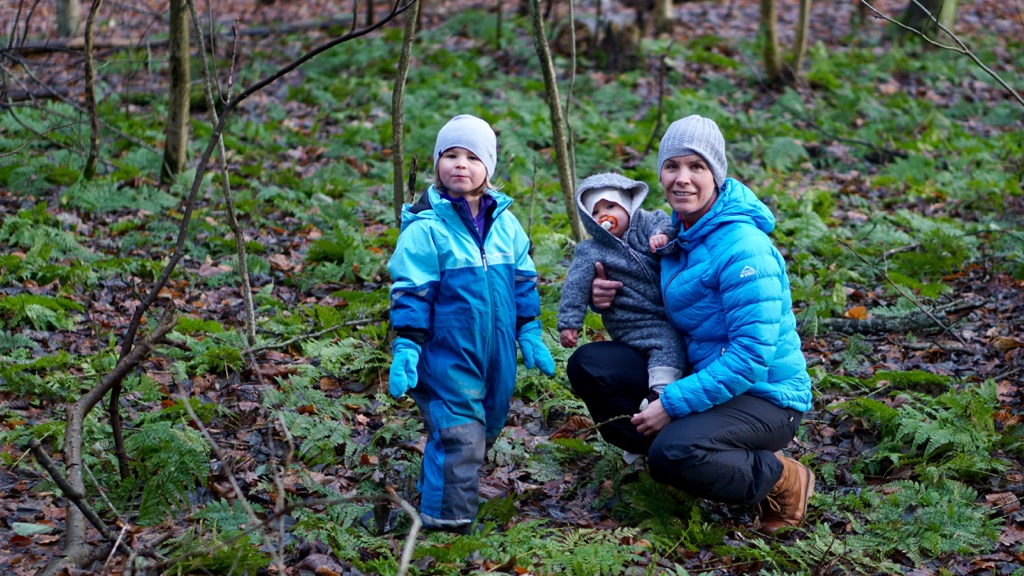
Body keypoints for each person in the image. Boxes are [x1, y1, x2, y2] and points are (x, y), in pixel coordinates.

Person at [567, 115, 815, 533]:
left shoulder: (743, 248)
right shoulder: (675, 232)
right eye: (672, 166)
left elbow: (750, 358)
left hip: (767, 397)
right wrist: (606, 299)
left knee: (672, 453)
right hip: (704, 373)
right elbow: (665, 320)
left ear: (717, 174)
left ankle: (780, 477)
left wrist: (673, 403)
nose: (682, 179)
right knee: (592, 366)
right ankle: (682, 460)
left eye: (696, 167)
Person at [387, 114, 555, 533]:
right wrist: (407, 343)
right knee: (460, 433)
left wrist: (529, 328)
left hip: (496, 353)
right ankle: (448, 525)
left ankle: (440, 487)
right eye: (451, 155)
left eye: (472, 157)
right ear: (437, 163)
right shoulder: (427, 228)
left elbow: (523, 278)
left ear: (488, 167)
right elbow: (410, 289)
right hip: (447, 352)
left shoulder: (507, 224)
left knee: (488, 424)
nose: (460, 164)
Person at [557, 172, 686, 411]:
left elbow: (666, 223)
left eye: (610, 206)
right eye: (594, 212)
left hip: (666, 312)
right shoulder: (592, 250)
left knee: (672, 342)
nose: (603, 215)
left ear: (628, 206)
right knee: (665, 343)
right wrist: (569, 323)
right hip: (631, 320)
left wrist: (662, 236)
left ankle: (660, 399)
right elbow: (575, 285)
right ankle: (660, 392)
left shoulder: (648, 224)